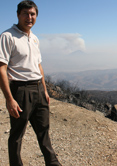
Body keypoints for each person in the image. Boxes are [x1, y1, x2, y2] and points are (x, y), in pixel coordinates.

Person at [0, 1, 61, 165]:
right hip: (20, 90)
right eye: (25, 13)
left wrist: (45, 90)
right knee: (17, 134)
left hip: (38, 89)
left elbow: (38, 66)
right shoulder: (7, 36)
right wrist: (9, 99)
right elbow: (1, 68)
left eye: (32, 14)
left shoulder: (34, 38)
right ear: (18, 15)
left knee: (43, 131)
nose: (29, 17)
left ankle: (53, 163)